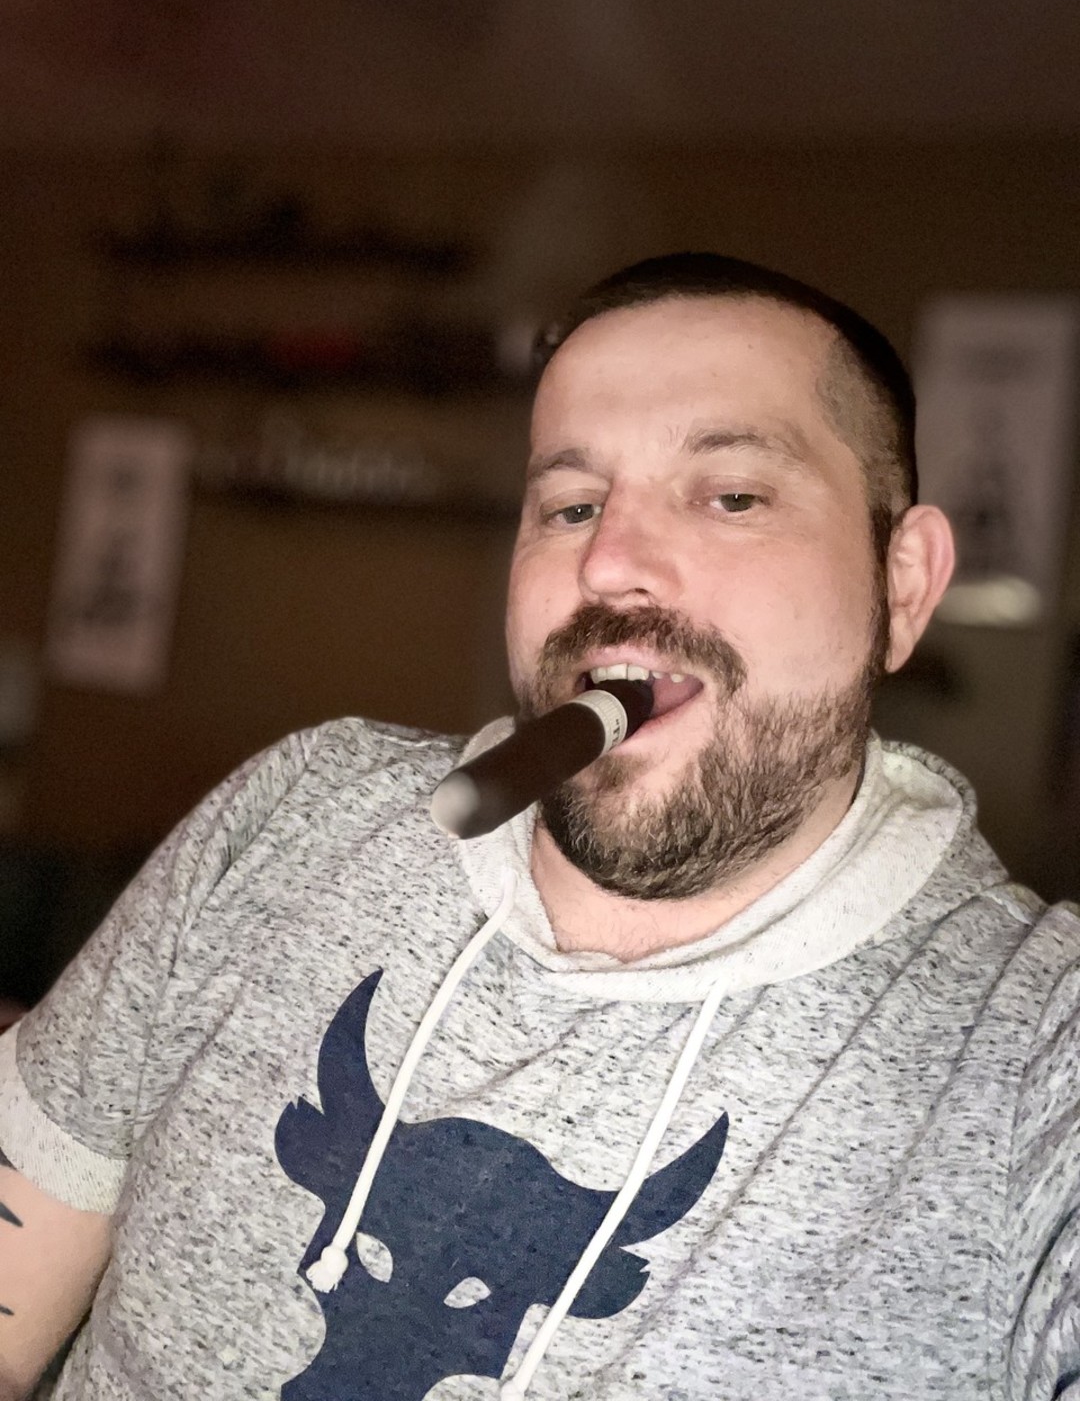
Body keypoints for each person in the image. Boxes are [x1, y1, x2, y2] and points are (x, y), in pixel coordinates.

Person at [1, 252, 1077, 1401]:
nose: (607, 562)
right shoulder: (297, 809)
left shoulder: (1035, 1052)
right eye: (570, 505)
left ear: (903, 585)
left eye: (731, 496)